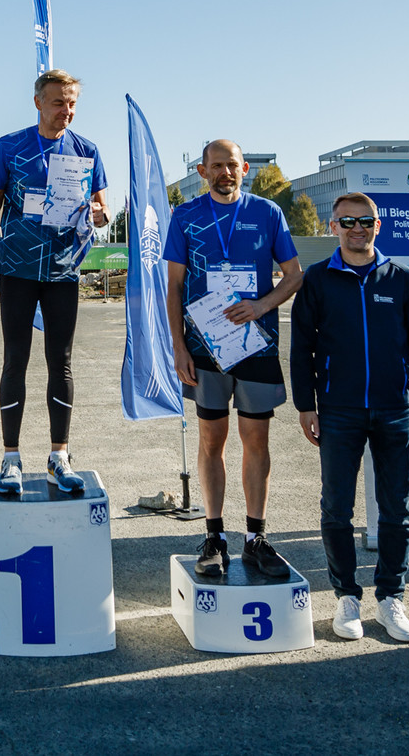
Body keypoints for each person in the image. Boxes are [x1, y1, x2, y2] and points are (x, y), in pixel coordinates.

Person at [291, 192, 409, 643]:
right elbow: (301, 347)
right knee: (337, 507)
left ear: (378, 225)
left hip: (396, 409)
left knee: (397, 509)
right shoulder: (317, 279)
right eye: (348, 221)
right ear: (333, 226)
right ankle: (346, 598)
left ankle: (391, 596)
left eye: (366, 221)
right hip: (339, 409)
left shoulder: (403, 279)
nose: (358, 228)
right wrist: (306, 405)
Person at [164, 139, 302, 578]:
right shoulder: (185, 216)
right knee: (212, 440)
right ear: (203, 171)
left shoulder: (268, 212)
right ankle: (214, 536)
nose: (226, 172)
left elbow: (294, 276)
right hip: (204, 347)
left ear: (244, 169)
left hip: (256, 345)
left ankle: (256, 538)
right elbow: (173, 287)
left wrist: (262, 306)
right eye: (217, 165)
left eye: (233, 165)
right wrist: (179, 346)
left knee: (256, 439)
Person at [0, 69, 108, 495]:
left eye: (72, 104)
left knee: (60, 362)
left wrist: (100, 214)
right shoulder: (9, 146)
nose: (66, 111)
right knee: (15, 360)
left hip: (64, 269)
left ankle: (59, 457)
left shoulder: (87, 150)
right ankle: (10, 459)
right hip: (17, 267)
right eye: (58, 102)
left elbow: (102, 208)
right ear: (38, 103)